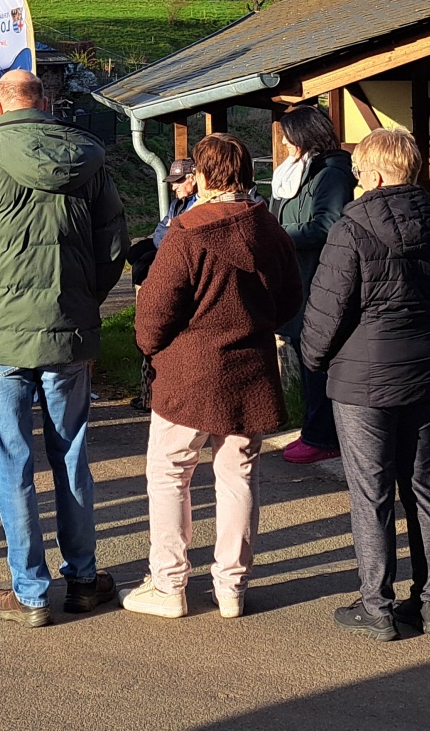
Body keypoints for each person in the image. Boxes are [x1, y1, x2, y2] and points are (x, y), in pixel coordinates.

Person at [0, 69, 131, 628]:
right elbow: (112, 243)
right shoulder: (87, 159)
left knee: (13, 460)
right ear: (44, 101)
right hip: (67, 330)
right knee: (70, 454)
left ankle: (31, 591)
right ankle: (85, 576)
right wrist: (80, 296)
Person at [302, 128, 430, 640]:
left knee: (370, 493)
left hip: (362, 379)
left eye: (357, 173)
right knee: (422, 485)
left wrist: (313, 359)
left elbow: (327, 311)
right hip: (424, 370)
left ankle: (376, 606)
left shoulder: (350, 228)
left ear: (372, 175)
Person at [127, 133, 300, 621]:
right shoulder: (271, 228)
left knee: (169, 474)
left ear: (202, 176)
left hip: (190, 370)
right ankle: (231, 588)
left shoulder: (186, 230)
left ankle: (169, 583)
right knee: (239, 476)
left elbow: (155, 313)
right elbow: (290, 302)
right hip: (251, 367)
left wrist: (152, 347)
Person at [273, 106, 356, 467]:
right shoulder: (299, 171)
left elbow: (327, 225)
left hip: (318, 278)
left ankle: (323, 436)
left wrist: (278, 235)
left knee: (316, 359)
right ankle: (313, 429)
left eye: (288, 135)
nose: (283, 142)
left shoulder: (331, 174)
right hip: (296, 276)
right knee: (304, 354)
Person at [127, 158, 197, 286]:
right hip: (168, 247)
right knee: (135, 252)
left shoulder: (199, 204)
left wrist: (172, 227)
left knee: (148, 260)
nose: (174, 187)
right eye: (172, 182)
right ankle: (142, 297)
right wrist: (172, 230)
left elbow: (183, 236)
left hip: (182, 254)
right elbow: (159, 232)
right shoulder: (177, 204)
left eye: (178, 181)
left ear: (193, 178)